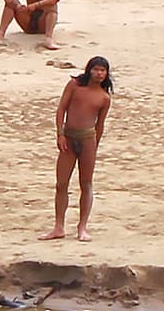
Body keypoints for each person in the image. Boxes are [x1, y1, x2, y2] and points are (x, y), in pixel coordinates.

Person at [39, 55, 113, 242]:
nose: (99, 73)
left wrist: (96, 145)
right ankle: (58, 226)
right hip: (69, 138)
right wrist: (60, 133)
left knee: (86, 183)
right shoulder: (74, 85)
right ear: (89, 70)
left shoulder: (104, 98)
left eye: (102, 70)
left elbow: (100, 124)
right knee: (61, 183)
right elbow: (61, 109)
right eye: (96, 69)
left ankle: (82, 226)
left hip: (88, 139)